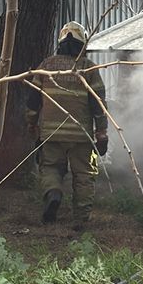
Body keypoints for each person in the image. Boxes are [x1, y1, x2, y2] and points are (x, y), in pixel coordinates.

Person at [25, 21, 108, 229]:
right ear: (83, 44)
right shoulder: (88, 67)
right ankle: (81, 219)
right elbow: (98, 102)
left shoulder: (46, 66)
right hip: (81, 136)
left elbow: (33, 101)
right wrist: (102, 131)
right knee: (84, 175)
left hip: (51, 133)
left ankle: (53, 193)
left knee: (50, 167)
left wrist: (32, 124)